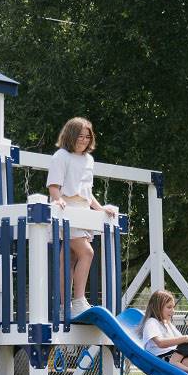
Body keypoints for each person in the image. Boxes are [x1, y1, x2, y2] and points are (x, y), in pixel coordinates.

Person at [46, 117, 117, 316]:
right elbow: (54, 185)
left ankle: (63, 306)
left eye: (87, 137)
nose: (84, 140)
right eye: (80, 136)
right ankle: (78, 300)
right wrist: (58, 200)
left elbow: (87, 191)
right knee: (87, 252)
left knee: (69, 257)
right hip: (68, 208)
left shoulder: (89, 159)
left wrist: (100, 208)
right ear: (70, 136)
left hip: (83, 211)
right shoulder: (61, 155)